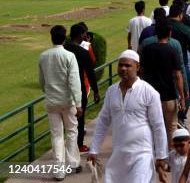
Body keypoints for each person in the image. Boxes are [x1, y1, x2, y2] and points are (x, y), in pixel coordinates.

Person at [88, 50, 168, 183]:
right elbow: (103, 121)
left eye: (128, 65)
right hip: (118, 155)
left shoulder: (149, 92)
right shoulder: (111, 91)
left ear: (137, 67)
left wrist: (161, 155)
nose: (123, 68)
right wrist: (94, 149)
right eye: (120, 65)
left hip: (142, 154)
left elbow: (158, 125)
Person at [39, 25, 82, 181]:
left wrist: (50, 93)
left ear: (52, 38)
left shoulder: (43, 56)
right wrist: (78, 103)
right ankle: (72, 164)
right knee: (71, 131)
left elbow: (42, 81)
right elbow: (74, 82)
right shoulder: (69, 56)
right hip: (68, 101)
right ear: (65, 38)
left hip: (52, 101)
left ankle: (59, 171)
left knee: (57, 135)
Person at [140, 19, 186, 148]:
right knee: (171, 127)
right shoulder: (172, 50)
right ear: (170, 33)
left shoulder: (147, 49)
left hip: (149, 96)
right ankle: (169, 158)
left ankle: (154, 156)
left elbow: (141, 72)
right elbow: (178, 75)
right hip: (168, 96)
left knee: (152, 127)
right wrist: (182, 96)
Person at [64, 24, 100, 153]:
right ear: (80, 35)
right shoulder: (83, 52)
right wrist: (95, 91)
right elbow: (90, 73)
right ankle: (78, 145)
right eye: (85, 33)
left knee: (67, 120)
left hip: (63, 90)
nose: (86, 36)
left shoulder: (64, 49)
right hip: (79, 90)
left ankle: (69, 145)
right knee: (79, 119)